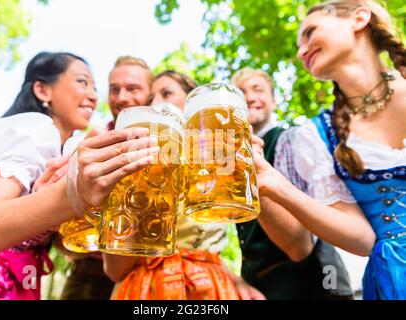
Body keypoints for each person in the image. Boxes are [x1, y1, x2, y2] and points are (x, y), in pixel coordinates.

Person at [0, 52, 158, 299]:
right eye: (82, 82)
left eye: (95, 87)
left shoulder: (62, 148)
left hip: (17, 284)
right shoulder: (36, 130)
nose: (95, 96)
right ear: (42, 90)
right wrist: (68, 196)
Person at [253, 0, 405, 300]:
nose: (301, 51)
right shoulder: (317, 136)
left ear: (359, 18)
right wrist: (275, 185)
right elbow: (362, 240)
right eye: (298, 44)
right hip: (394, 281)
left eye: (310, 32)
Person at [102, 70, 266, 300]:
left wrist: (235, 279)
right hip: (145, 290)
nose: (157, 103)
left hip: (210, 289)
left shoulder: (217, 164)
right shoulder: (137, 168)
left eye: (166, 93)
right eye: (150, 99)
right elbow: (114, 270)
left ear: (193, 104)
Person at [231, 68, 353, 299]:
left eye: (258, 89)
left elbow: (304, 241)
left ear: (274, 100)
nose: (249, 97)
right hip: (265, 285)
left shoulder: (292, 138)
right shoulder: (228, 158)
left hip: (318, 280)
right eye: (241, 93)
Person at [59, 55, 154, 300]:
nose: (122, 97)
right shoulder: (90, 143)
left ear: (151, 94)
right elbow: (59, 238)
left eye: (133, 88)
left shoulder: (167, 139)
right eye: (115, 89)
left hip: (150, 269)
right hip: (90, 273)